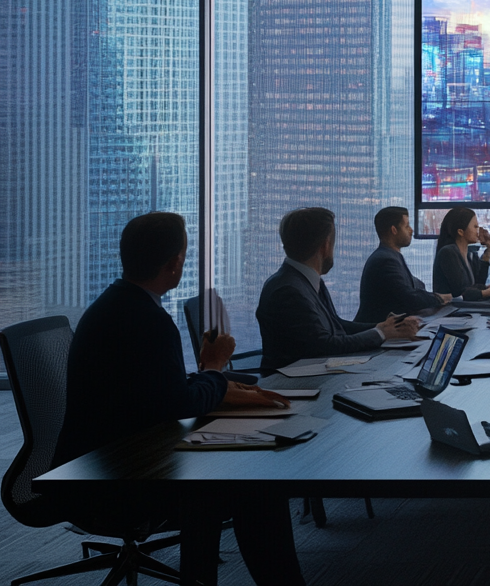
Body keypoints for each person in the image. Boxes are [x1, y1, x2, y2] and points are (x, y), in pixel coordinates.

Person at [54, 212, 304, 586]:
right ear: (174, 264)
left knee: (243, 480)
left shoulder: (117, 304)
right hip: (119, 477)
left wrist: (216, 382)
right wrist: (215, 369)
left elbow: (156, 390)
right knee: (254, 488)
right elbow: (180, 405)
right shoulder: (148, 319)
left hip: (108, 459)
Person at [256, 207, 421, 373]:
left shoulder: (303, 281)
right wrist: (380, 333)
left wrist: (384, 327)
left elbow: (336, 326)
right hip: (296, 387)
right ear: (325, 245)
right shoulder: (289, 291)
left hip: (314, 378)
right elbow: (323, 345)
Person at [355, 206, 451, 323]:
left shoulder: (390, 256)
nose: (411, 230)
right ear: (394, 230)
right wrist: (439, 298)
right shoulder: (385, 260)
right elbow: (410, 298)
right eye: (406, 226)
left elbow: (415, 287)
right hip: (378, 334)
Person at [432, 206, 490, 300]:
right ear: (461, 232)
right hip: (451, 311)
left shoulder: (469, 254)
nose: (478, 231)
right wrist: (488, 292)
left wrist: (489, 249)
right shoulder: (448, 253)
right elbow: (461, 293)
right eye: (475, 226)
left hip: (465, 308)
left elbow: (478, 284)